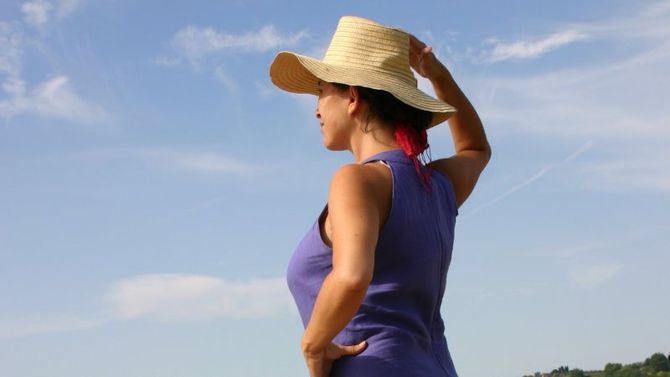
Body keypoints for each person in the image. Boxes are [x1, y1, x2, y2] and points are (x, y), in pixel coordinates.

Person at [269, 16, 491, 377]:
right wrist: (439, 77)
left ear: (353, 97)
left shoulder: (356, 181)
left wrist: (313, 345)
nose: (316, 108)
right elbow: (476, 148)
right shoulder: (436, 185)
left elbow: (352, 276)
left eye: (321, 91)